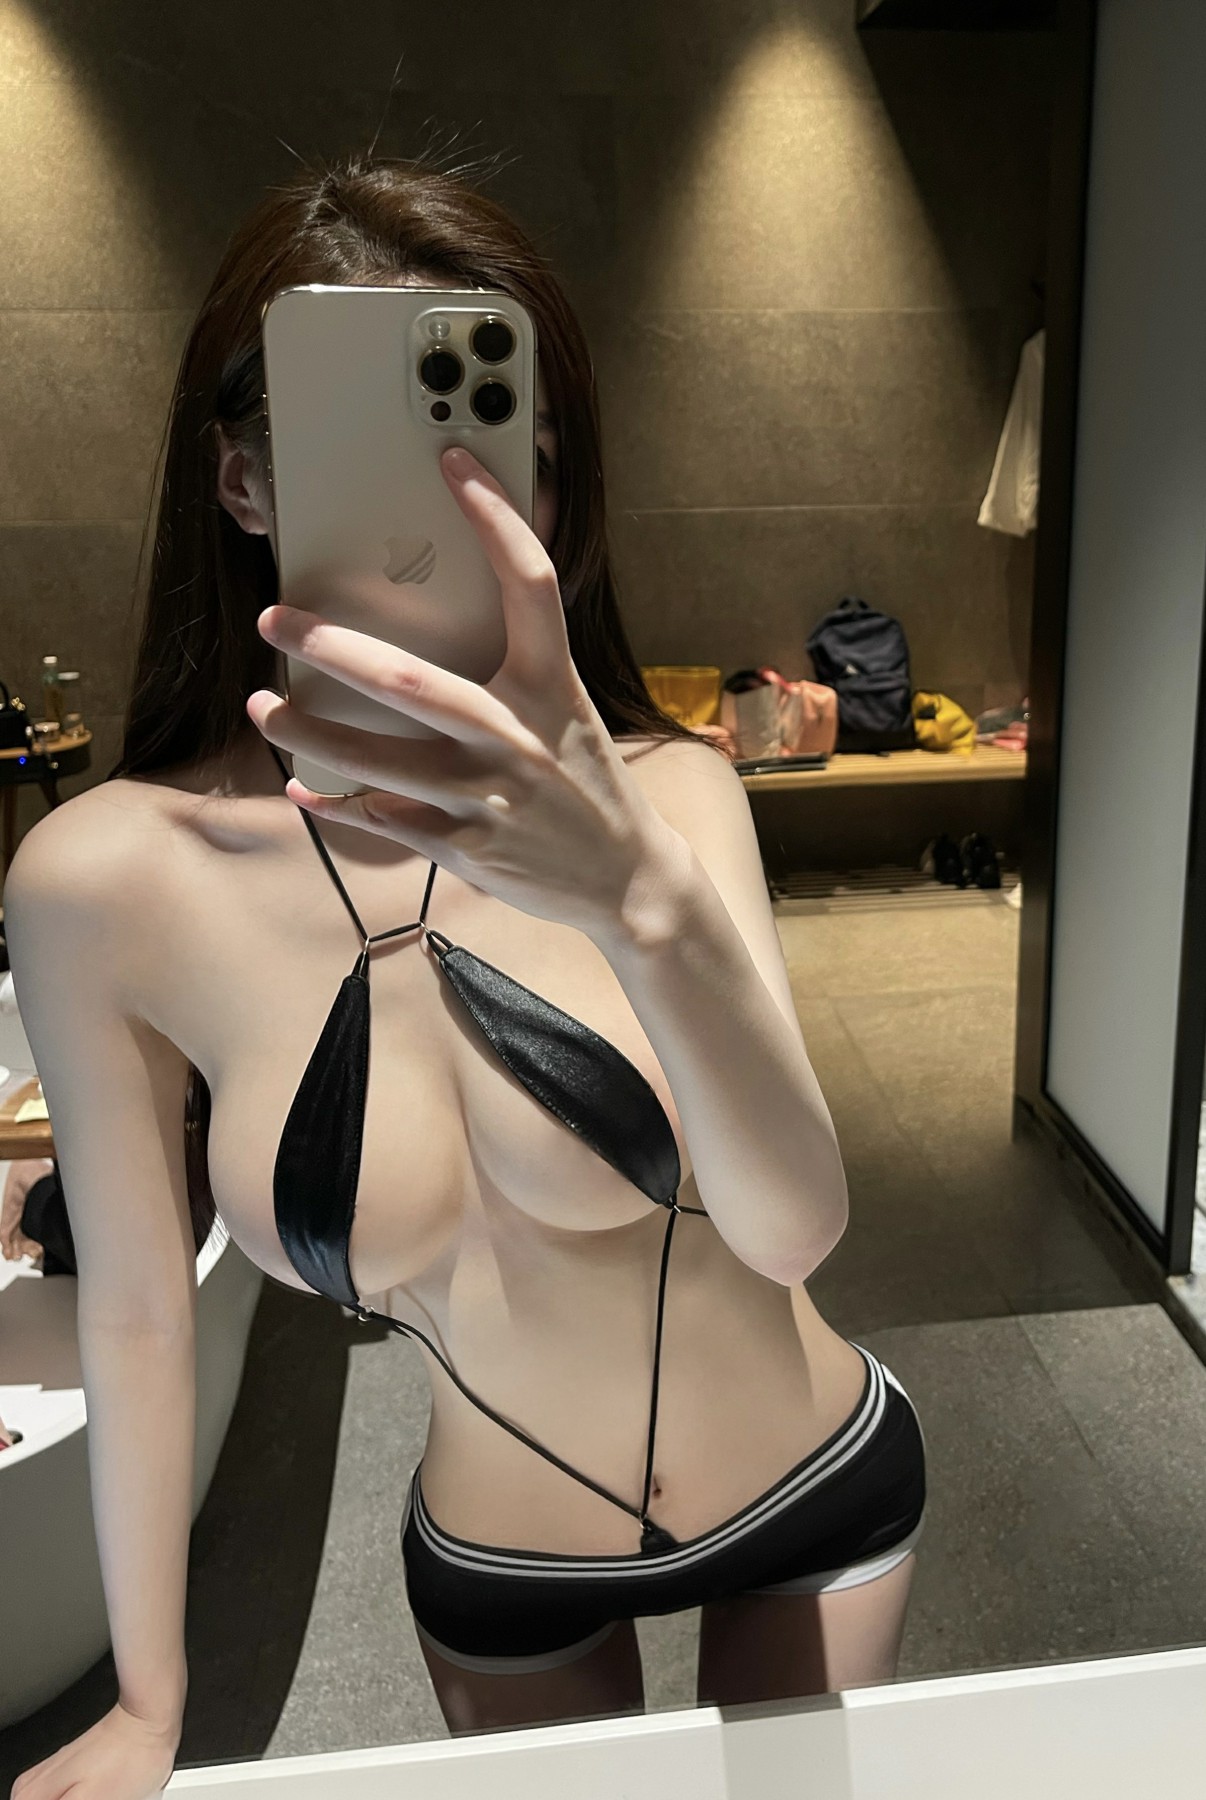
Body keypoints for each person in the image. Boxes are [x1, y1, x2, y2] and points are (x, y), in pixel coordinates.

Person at [4, 149, 925, 1798]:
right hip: (500, 1563)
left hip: (814, 1494)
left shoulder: (669, 798)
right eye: (379, 459)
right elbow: (135, 1312)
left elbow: (792, 1229)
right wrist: (150, 1701)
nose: (456, 518)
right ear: (243, 482)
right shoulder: (104, 883)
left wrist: (638, 902)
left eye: (513, 462)